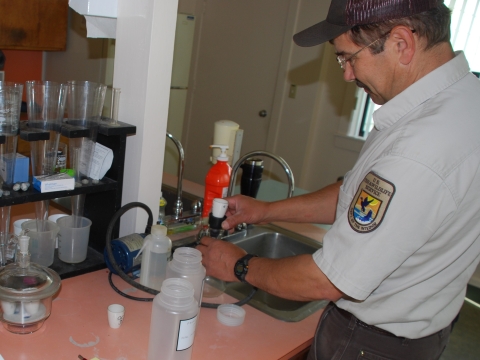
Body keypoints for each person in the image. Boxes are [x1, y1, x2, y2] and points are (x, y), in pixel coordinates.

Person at [197, 0, 480, 358]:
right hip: (423, 331)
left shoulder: (419, 149)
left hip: (372, 345)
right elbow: (356, 196)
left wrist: (239, 265)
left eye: (349, 57)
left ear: (401, 44)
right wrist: (265, 211)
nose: (347, 74)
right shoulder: (461, 101)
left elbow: (327, 278)